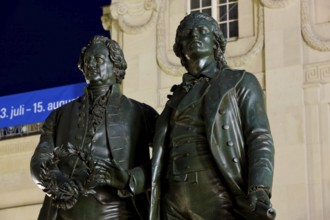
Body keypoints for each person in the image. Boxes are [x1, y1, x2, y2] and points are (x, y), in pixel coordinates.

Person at [150, 12, 275, 220]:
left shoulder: (240, 82)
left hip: (217, 194)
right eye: (187, 34)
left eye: (202, 31)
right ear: (181, 48)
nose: (194, 36)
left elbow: (259, 137)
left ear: (215, 42)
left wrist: (259, 187)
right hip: (173, 200)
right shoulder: (175, 98)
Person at [30, 35, 158, 220]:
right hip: (67, 212)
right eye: (87, 61)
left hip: (119, 211)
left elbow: (167, 158)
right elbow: (39, 160)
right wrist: (57, 182)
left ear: (116, 65)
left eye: (98, 59)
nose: (91, 65)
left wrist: (131, 179)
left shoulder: (141, 113)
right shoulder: (59, 115)